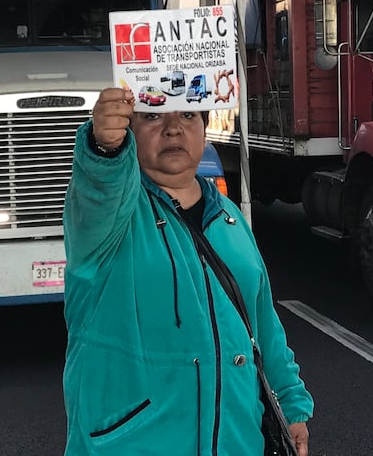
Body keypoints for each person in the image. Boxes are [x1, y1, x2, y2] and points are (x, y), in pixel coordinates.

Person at [62, 87, 314, 455]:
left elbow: (263, 325)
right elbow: (98, 186)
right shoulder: (108, 219)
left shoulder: (230, 218)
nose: (172, 128)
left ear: (204, 127)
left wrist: (291, 407)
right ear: (128, 130)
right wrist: (104, 150)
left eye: (187, 115)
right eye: (152, 116)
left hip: (237, 442)